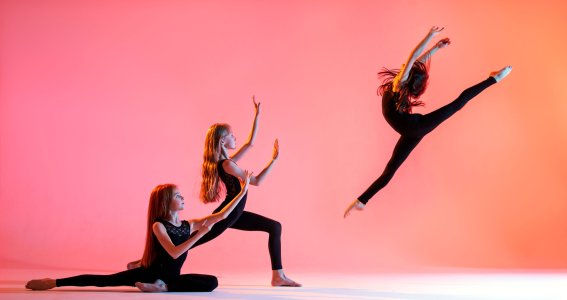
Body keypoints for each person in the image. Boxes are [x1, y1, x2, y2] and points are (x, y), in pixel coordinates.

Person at [344, 26, 512, 217]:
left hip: (414, 127)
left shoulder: (399, 84)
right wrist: (435, 47)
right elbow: (416, 61)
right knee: (389, 170)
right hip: (411, 129)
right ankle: (361, 201)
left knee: (457, 104)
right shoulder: (401, 84)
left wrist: (431, 37)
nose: (407, 66)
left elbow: (413, 58)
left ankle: (494, 79)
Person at [26, 171, 252, 292]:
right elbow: (173, 253)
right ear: (166, 202)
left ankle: (163, 287)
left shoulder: (188, 224)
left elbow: (221, 215)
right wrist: (201, 234)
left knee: (211, 282)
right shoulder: (159, 225)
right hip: (147, 274)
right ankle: (53, 282)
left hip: (171, 279)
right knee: (103, 281)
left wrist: (241, 193)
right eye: (177, 196)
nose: (183, 198)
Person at [199, 97, 300, 287]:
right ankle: (152, 263)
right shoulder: (228, 164)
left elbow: (250, 143)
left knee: (274, 226)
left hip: (235, 213)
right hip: (227, 214)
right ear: (222, 141)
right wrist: (274, 161)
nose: (235, 137)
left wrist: (257, 115)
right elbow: (257, 182)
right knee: (193, 240)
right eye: (231, 135)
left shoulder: (228, 162)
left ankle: (278, 276)